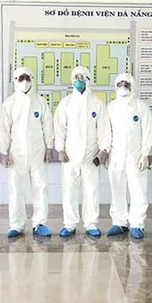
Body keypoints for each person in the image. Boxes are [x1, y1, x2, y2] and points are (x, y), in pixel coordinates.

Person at [54, 66, 111, 237]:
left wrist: (103, 150)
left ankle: (91, 224)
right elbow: (59, 128)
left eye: (81, 77)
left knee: (91, 191)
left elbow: (104, 129)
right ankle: (70, 224)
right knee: (69, 191)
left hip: (90, 156)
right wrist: (60, 149)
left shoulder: (97, 104)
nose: (78, 80)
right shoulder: (66, 103)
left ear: (87, 79)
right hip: (69, 156)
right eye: (75, 77)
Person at [0, 67, 54, 238]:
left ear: (32, 79)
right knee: (16, 190)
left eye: (27, 78)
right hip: (17, 154)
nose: (24, 82)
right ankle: (16, 224)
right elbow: (4, 129)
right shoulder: (9, 103)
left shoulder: (41, 102)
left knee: (40, 188)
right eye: (20, 78)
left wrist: (49, 148)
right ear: (15, 80)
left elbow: (48, 126)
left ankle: (40, 223)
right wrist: (3, 152)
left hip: (38, 152)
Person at [106, 73, 152, 239]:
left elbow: (148, 131)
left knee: (138, 190)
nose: (123, 87)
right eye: (120, 84)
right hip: (115, 156)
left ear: (132, 86)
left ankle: (137, 224)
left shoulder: (141, 107)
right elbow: (106, 132)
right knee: (116, 189)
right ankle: (119, 222)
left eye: (126, 84)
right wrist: (106, 153)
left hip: (136, 156)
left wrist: (146, 154)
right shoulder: (110, 107)